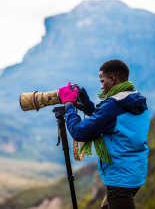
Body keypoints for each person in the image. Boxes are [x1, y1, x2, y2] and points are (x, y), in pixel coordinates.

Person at [58, 59, 150, 209]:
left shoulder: (113, 105)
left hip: (120, 178)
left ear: (113, 79)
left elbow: (80, 132)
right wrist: (86, 105)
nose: (101, 86)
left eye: (102, 81)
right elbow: (108, 120)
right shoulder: (134, 99)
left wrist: (68, 105)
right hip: (134, 172)